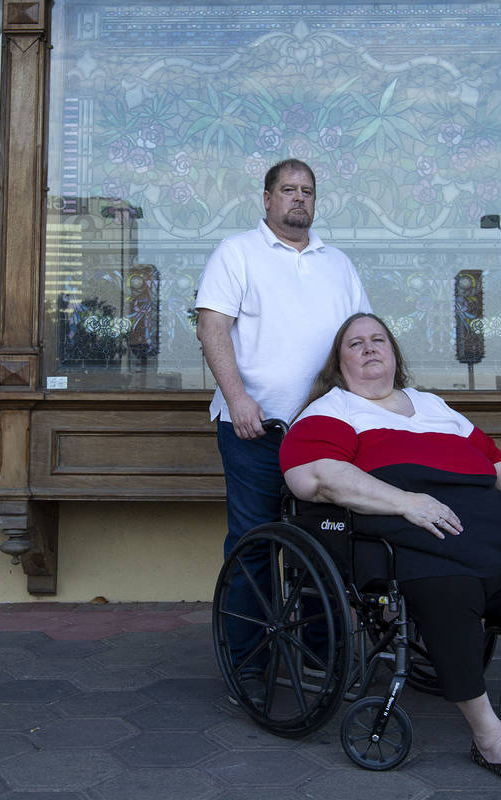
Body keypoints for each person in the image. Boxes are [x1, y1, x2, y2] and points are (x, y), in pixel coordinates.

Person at [279, 312, 501, 787]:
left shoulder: (432, 405)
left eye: (378, 339)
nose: (369, 348)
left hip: (490, 532)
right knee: (448, 588)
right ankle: (489, 735)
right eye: (355, 343)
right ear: (338, 365)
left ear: (394, 354)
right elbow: (314, 477)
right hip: (405, 538)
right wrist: (406, 502)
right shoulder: (334, 411)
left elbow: (492, 458)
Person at [196, 159, 370, 668]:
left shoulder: (338, 263)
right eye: (289, 190)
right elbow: (212, 328)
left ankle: (319, 660)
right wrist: (237, 398)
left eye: (308, 191)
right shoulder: (238, 253)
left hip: (325, 437)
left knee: (324, 547)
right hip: (256, 428)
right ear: (267, 198)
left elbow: (358, 338)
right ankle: (249, 664)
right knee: (253, 545)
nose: (299, 198)